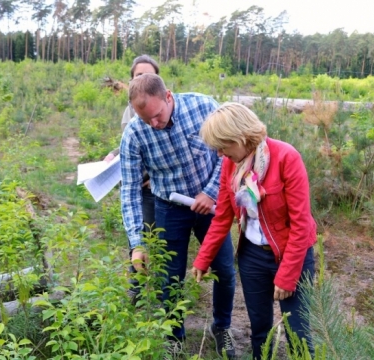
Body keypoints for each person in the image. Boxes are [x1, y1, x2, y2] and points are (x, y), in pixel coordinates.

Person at [120, 73, 236, 359]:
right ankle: (175, 337)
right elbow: (130, 191)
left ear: (168, 96)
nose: (154, 125)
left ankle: (221, 328)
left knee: (224, 270)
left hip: (210, 206)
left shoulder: (204, 107)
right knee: (170, 277)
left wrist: (210, 192)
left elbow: (230, 154)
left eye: (158, 116)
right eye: (147, 120)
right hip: (169, 208)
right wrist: (137, 243)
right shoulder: (135, 134)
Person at [191, 102, 316, 360]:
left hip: (292, 256)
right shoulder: (231, 164)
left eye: (223, 146)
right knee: (260, 330)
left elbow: (301, 224)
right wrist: (203, 259)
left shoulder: (286, 157)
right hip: (252, 257)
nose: (220, 154)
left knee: (298, 332)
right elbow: (222, 217)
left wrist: (287, 275)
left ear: (240, 137)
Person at [103, 55, 160, 302]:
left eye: (149, 75)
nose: (144, 79)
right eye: (139, 75)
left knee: (160, 237)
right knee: (138, 234)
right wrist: (114, 154)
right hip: (140, 185)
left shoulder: (162, 104)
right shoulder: (130, 109)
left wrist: (155, 175)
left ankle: (163, 291)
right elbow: (131, 144)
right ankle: (136, 289)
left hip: (159, 185)